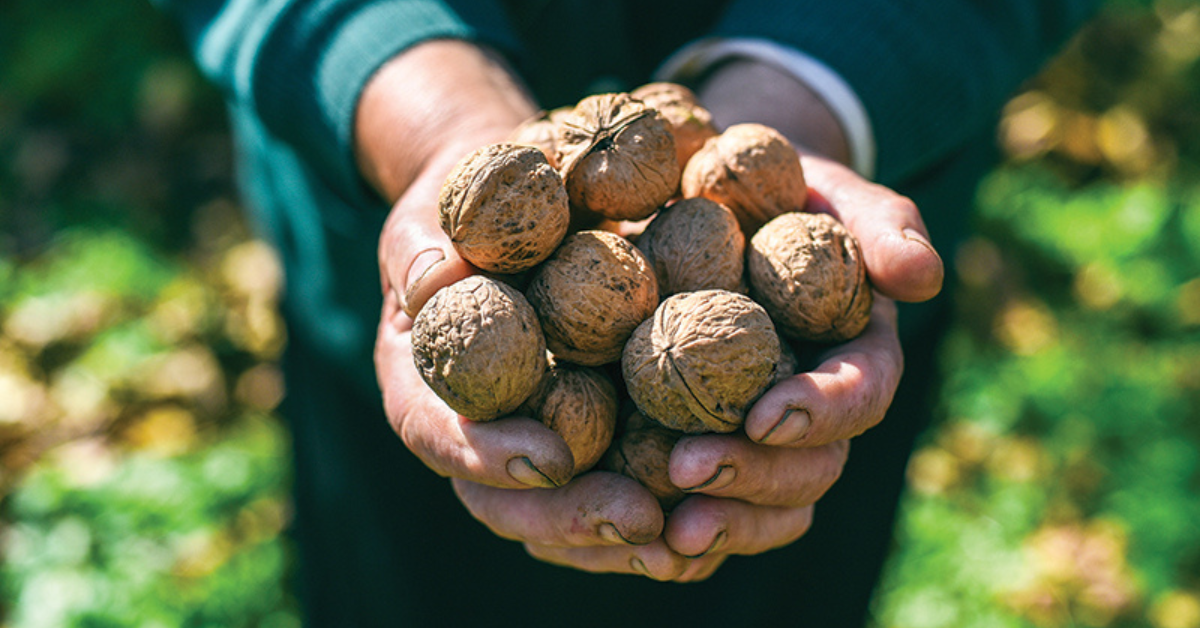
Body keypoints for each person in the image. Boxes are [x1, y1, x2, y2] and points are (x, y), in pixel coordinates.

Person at [155, 1, 1100, 625]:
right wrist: (422, 103)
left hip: (814, 327)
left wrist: (809, 89)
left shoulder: (733, 236)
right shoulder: (503, 244)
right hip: (372, 242)